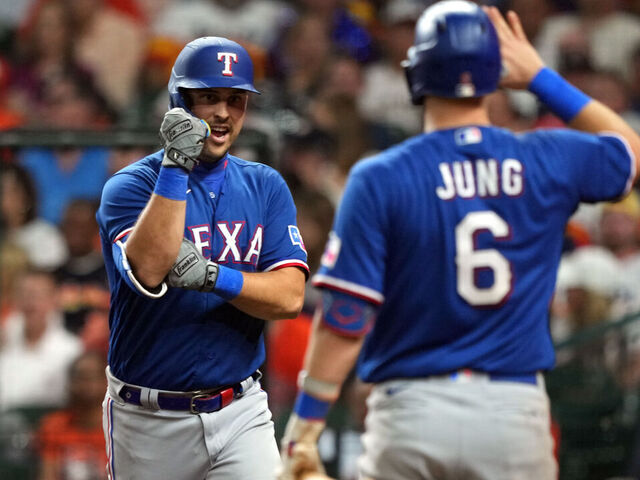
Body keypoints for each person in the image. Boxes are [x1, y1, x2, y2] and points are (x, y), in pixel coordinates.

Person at [278, 2, 640, 480]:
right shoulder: (547, 157)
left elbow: (346, 316)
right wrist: (538, 77)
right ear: (494, 76)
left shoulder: (382, 175)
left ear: (416, 77)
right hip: (512, 413)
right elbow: (629, 152)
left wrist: (305, 425)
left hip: (412, 412)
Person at [96, 36, 308, 479]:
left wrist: (215, 277)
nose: (223, 113)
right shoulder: (131, 186)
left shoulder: (265, 185)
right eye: (209, 97)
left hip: (241, 410)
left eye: (236, 100)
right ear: (179, 101)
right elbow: (151, 269)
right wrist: (176, 165)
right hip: (148, 419)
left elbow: (289, 298)